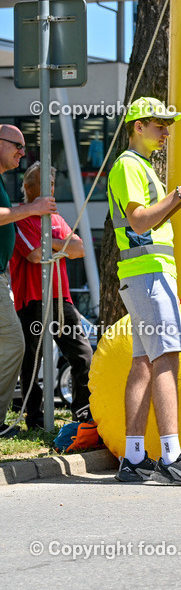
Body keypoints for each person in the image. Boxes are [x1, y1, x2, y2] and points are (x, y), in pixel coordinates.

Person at [108, 97, 181, 485]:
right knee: (166, 356)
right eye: (159, 124)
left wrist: (177, 197)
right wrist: (180, 194)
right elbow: (139, 222)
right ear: (138, 126)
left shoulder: (137, 167)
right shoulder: (129, 165)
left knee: (144, 362)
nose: (166, 131)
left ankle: (134, 458)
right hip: (150, 275)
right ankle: (172, 456)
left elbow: (145, 221)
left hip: (143, 274)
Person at [10, 162, 93, 429]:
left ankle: (82, 414)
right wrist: (61, 245)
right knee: (32, 362)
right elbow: (34, 255)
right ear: (28, 187)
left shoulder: (57, 219)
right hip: (31, 299)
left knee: (83, 355)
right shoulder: (19, 217)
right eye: (43, 183)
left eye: (53, 184)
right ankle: (34, 420)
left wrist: (51, 244)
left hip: (61, 298)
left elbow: (80, 249)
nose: (51, 189)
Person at [0, 125, 58, 438]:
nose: (22, 152)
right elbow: (36, 254)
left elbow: (75, 248)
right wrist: (30, 209)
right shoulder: (25, 207)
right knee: (16, 345)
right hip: (19, 291)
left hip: (4, 279)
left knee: (13, 345)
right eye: (17, 146)